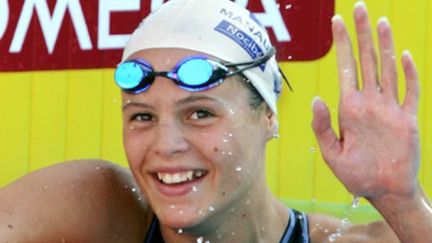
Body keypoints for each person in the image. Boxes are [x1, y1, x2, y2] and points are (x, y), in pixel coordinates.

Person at [0, 0, 431, 242]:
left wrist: (402, 202)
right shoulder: (97, 210)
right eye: (143, 116)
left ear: (267, 116)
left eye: (200, 113)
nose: (166, 145)